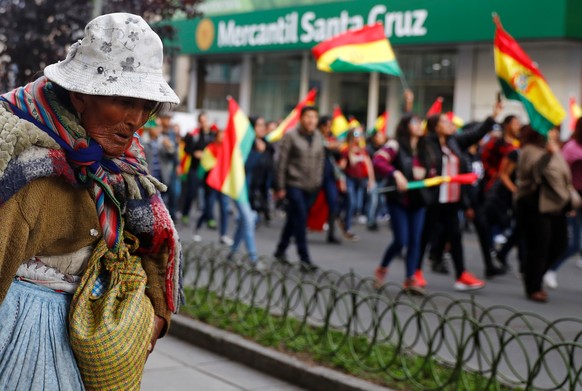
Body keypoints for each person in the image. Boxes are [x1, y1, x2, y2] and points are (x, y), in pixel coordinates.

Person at [0, 13, 181, 388]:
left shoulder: (125, 167)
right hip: (22, 335)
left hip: (87, 335)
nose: (136, 119)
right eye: (124, 100)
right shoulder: (24, 161)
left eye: (147, 106)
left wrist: (155, 317)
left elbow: (153, 242)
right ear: (81, 94)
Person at [418, 103, 502, 291]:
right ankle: (415, 272)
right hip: (433, 198)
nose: (450, 124)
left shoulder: (454, 141)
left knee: (455, 236)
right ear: (435, 126)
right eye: (445, 122)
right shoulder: (426, 144)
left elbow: (476, 134)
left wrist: (492, 116)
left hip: (452, 199)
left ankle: (461, 274)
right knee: (425, 236)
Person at [373, 114, 434, 292]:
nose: (419, 125)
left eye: (420, 121)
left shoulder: (426, 148)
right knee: (401, 240)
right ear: (405, 125)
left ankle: (410, 279)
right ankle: (382, 269)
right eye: (414, 122)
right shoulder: (395, 145)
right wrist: (395, 173)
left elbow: (432, 170)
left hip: (419, 201)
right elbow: (378, 160)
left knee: (415, 240)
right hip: (399, 200)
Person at [516, 126, 571, 302]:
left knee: (560, 244)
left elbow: (563, 177)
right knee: (539, 247)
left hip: (556, 205)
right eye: (551, 130)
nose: (554, 133)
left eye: (555, 130)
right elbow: (532, 173)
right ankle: (533, 285)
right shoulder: (529, 150)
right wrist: (548, 155)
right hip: (534, 204)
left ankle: (534, 276)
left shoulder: (556, 149)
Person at [274, 106, 324, 272]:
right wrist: (280, 186)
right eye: (308, 116)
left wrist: (318, 181)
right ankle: (305, 258)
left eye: (314, 117)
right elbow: (282, 162)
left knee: (293, 219)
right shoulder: (291, 136)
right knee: (301, 219)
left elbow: (320, 161)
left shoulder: (318, 137)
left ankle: (280, 250)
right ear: (301, 118)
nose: (311, 120)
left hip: (311, 186)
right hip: (294, 183)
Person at [543, 119, 582, 289]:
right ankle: (550, 270)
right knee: (574, 244)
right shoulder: (572, 148)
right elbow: (560, 173)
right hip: (574, 200)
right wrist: (567, 201)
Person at [193, 129, 232, 245]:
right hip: (212, 184)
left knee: (224, 210)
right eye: (221, 135)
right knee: (208, 208)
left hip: (223, 184)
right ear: (216, 137)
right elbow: (206, 164)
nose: (223, 138)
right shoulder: (210, 148)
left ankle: (223, 235)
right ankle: (197, 229)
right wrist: (220, 164)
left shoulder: (227, 149)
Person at [338, 128, 376, 241]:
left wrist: (371, 180)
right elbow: (341, 167)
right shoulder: (346, 150)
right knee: (352, 202)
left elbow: (369, 165)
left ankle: (342, 219)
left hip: (360, 181)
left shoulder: (363, 150)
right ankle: (347, 226)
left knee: (354, 204)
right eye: (356, 134)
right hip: (349, 179)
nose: (358, 137)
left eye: (360, 134)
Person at [180, 111, 216, 225]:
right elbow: (186, 148)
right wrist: (194, 153)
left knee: (209, 194)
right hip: (195, 168)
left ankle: (209, 217)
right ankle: (185, 213)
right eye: (201, 121)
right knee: (191, 193)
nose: (204, 123)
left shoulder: (213, 135)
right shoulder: (194, 134)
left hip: (208, 169)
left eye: (205, 121)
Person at [318, 115, 344, 244]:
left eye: (330, 126)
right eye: (325, 126)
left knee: (333, 202)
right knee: (307, 202)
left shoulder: (332, 138)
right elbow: (324, 146)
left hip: (329, 175)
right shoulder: (316, 136)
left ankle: (331, 233)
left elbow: (338, 155)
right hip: (315, 173)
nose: (328, 129)